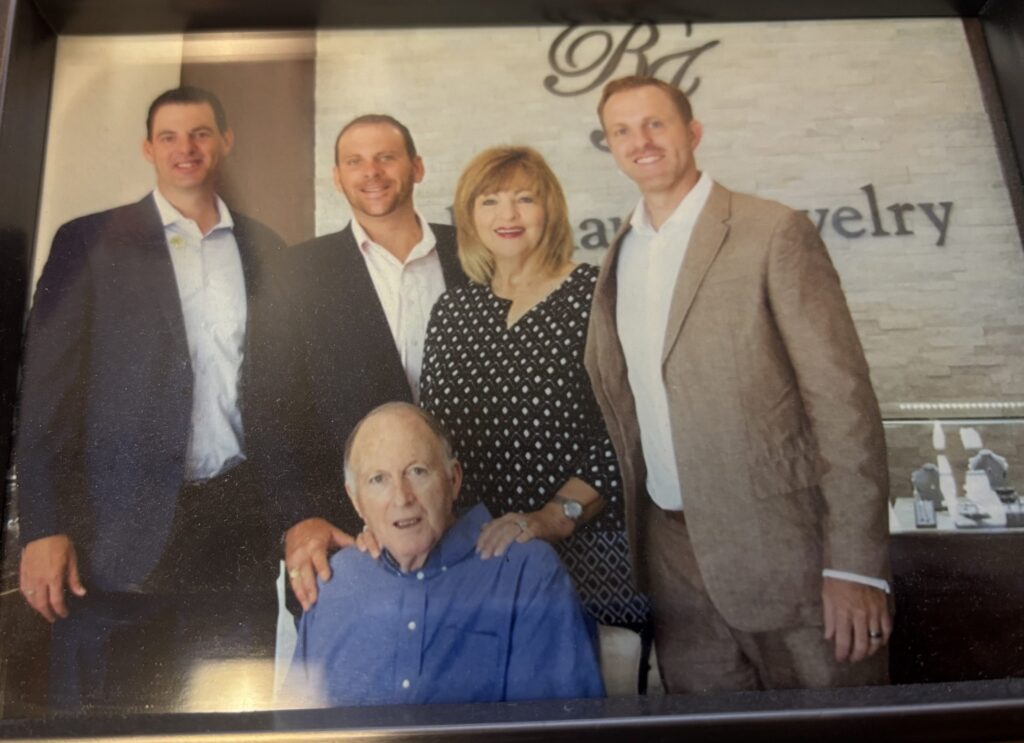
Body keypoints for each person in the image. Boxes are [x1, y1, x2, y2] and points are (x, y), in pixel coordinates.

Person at [584, 75, 892, 692]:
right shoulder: (622, 252)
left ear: (693, 132)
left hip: (789, 558)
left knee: (833, 730)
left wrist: (856, 568)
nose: (641, 142)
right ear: (611, 147)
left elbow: (843, 403)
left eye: (655, 124)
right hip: (674, 564)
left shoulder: (772, 231)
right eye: (622, 131)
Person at [15, 86, 294, 709]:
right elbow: (46, 398)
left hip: (235, 526)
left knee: (224, 711)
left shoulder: (263, 248)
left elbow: (281, 393)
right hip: (115, 533)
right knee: (108, 716)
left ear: (225, 142)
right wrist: (44, 527)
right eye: (169, 136)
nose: (184, 148)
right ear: (148, 149)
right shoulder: (88, 241)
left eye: (200, 133)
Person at [418, 146, 648, 630]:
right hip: (476, 558)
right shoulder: (452, 311)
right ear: (469, 217)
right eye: (490, 201)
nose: (507, 215)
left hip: (589, 555)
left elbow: (631, 427)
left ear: (550, 211)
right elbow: (434, 439)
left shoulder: (598, 296)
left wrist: (553, 517)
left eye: (524, 199)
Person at [284, 402, 604, 707]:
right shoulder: (332, 581)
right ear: (356, 501)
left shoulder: (525, 571)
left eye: (417, 472)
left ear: (453, 479)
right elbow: (293, 728)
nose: (402, 498)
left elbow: (557, 730)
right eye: (378, 479)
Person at [281, 114, 465, 613]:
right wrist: (301, 516)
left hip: (473, 525)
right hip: (355, 534)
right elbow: (270, 411)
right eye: (355, 162)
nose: (372, 172)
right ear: (337, 177)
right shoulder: (295, 271)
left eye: (386, 157)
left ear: (417, 167)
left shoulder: (471, 251)